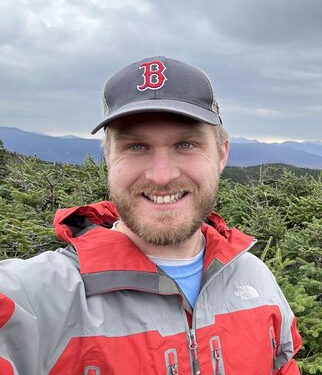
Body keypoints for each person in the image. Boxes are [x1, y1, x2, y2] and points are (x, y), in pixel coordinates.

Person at [0, 56, 302, 374]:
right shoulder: (41, 297)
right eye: (136, 147)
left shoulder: (256, 281)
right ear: (107, 156)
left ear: (222, 154)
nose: (161, 176)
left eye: (185, 144)